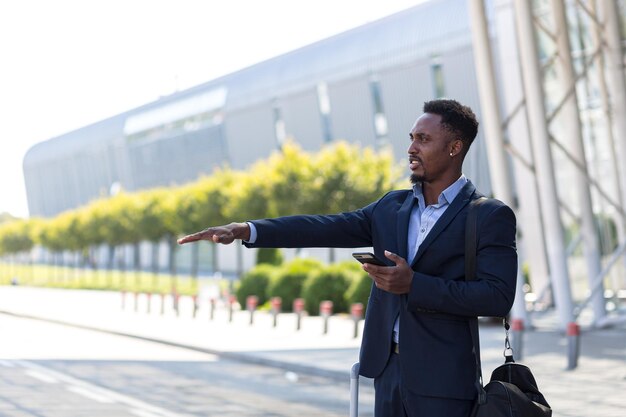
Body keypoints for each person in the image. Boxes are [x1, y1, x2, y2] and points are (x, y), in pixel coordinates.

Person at [178, 98, 517, 417]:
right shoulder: (391, 207)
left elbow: (497, 297)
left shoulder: (487, 215)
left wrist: (414, 284)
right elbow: (322, 227)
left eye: (423, 140)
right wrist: (247, 229)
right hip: (387, 373)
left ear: (455, 147)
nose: (411, 148)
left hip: (444, 382)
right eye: (411, 138)